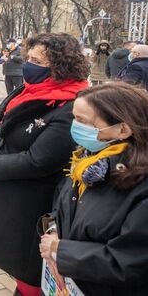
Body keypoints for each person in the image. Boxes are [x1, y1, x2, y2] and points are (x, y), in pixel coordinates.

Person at [0, 33, 90, 296]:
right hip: (9, 187)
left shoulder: (70, 105)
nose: (28, 65)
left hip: (32, 201)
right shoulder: (31, 89)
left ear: (60, 67)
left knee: (29, 271)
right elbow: (4, 127)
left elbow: (39, 160)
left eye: (37, 61)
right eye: (29, 58)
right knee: (16, 267)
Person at [40, 82, 148, 295]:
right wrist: (52, 229)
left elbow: (130, 261)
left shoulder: (139, 185)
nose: (74, 125)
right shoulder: (89, 161)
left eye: (82, 121)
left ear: (122, 129)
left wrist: (61, 251)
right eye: (74, 117)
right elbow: (64, 206)